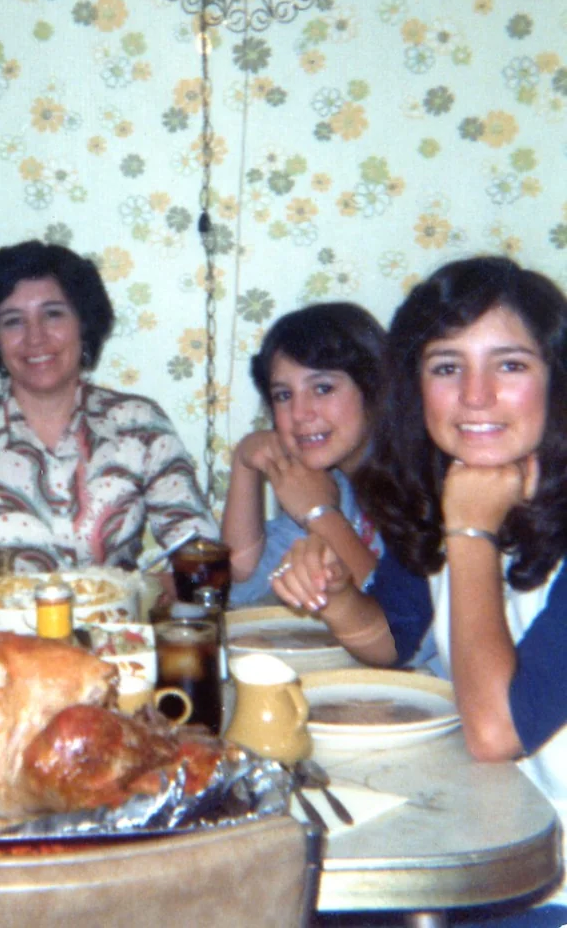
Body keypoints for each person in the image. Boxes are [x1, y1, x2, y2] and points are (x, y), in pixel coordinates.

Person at [271, 256, 567, 922]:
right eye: (446, 366)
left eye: (510, 365)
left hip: (548, 883)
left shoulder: (465, 508)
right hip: (481, 830)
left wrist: (471, 533)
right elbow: (396, 639)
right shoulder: (443, 486)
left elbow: (498, 731)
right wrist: (338, 598)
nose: (476, 395)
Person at [0, 240, 218, 611]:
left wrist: (167, 584)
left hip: (112, 647)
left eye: (53, 314)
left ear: (84, 323)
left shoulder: (139, 425)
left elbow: (199, 550)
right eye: (13, 321)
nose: (35, 337)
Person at [223, 302, 386, 607]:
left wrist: (321, 514)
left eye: (323, 388)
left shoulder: (417, 481)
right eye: (283, 395)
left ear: (374, 387)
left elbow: (403, 627)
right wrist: (244, 465)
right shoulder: (333, 480)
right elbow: (240, 586)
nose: (299, 413)